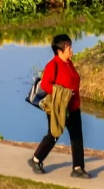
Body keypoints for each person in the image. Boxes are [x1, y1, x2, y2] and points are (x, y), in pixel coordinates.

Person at [28, 34, 87, 178]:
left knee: (77, 136)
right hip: (59, 108)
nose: (71, 50)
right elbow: (46, 85)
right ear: (59, 51)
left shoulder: (69, 63)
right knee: (54, 134)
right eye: (68, 47)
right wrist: (62, 92)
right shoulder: (53, 65)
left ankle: (78, 168)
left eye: (70, 46)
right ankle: (36, 159)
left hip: (73, 107)